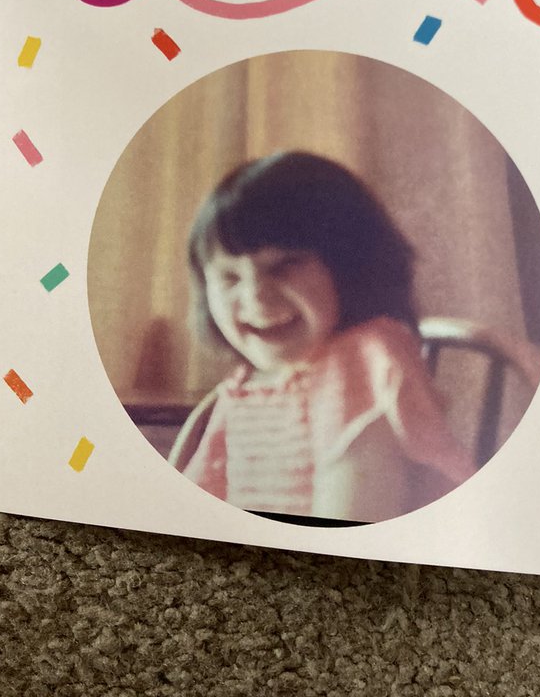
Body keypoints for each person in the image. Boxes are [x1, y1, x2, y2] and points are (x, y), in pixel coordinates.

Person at [169, 151, 474, 523]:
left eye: (284, 266)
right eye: (229, 278)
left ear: (350, 266)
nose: (256, 297)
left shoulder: (364, 365)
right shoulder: (252, 383)